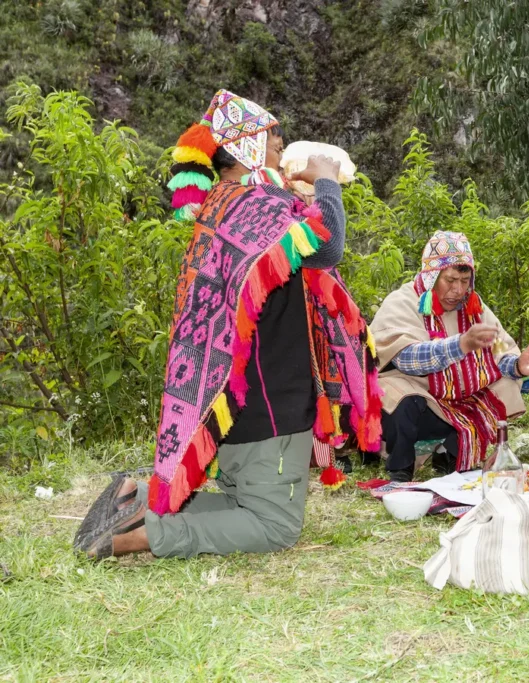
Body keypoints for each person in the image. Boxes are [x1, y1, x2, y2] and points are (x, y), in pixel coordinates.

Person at [73, 90, 381, 560]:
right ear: (250, 150)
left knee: (244, 504)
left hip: (231, 406)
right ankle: (144, 535)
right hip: (270, 404)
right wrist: (327, 182)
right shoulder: (255, 206)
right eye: (276, 146)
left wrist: (297, 199)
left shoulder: (224, 207)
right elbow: (328, 246)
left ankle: (133, 499)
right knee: (275, 527)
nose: (282, 155)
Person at [368, 231, 529, 481]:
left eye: (465, 280)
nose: (458, 290)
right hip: (417, 400)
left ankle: (449, 453)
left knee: (505, 385)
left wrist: (518, 366)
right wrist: (461, 345)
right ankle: (400, 466)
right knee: (403, 399)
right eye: (450, 280)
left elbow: (501, 353)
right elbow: (408, 360)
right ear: (430, 276)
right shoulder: (403, 301)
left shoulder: (474, 307)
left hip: (454, 402)